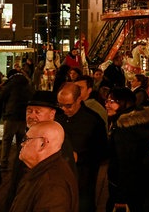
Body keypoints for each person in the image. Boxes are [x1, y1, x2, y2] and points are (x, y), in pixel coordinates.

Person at [6, 90, 78, 210]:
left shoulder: (58, 142)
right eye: (29, 111)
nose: (31, 115)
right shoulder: (31, 136)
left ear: (52, 114)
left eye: (38, 112)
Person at [57, 82, 109, 212]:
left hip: (83, 177)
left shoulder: (93, 120)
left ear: (79, 99)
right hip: (58, 176)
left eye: (68, 105)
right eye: (60, 105)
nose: (64, 109)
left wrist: (80, 157)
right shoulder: (57, 117)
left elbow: (102, 152)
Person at [9, 120, 79, 212]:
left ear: (42, 144)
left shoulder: (52, 187)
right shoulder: (45, 169)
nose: (22, 144)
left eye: (26, 139)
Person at [105, 86, 149, 212]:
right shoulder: (135, 122)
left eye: (112, 102)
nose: (107, 105)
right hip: (139, 185)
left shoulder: (125, 129)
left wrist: (120, 197)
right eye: (107, 101)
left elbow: (126, 164)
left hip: (127, 189)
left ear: (124, 103)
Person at [0, 67, 34, 170]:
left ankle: (4, 163)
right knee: (21, 140)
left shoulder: (10, 84)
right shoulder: (27, 84)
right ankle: (20, 163)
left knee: (7, 140)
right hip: (23, 115)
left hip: (11, 114)